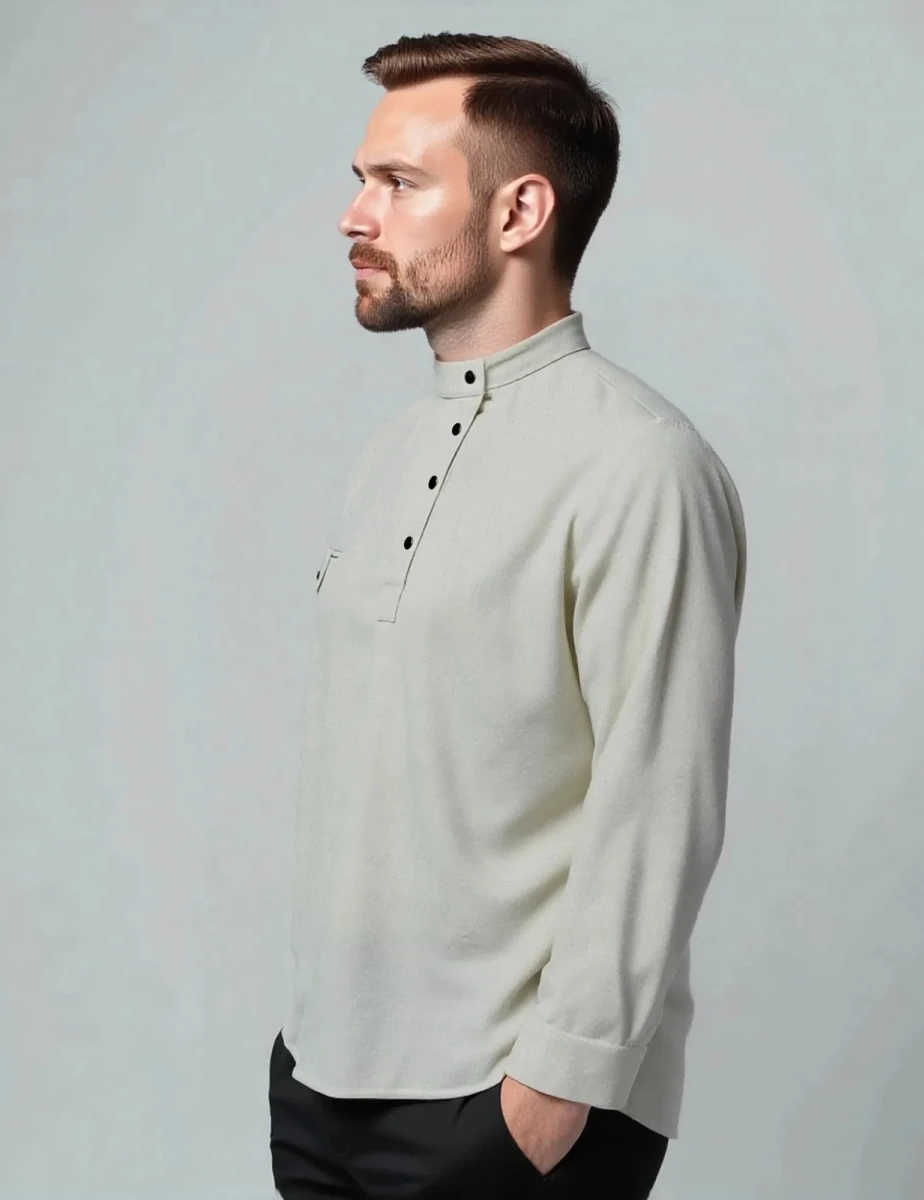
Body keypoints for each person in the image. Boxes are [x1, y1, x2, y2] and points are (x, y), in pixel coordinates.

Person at [268, 31, 747, 1200]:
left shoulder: (640, 464)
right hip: (322, 1079)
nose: (354, 216)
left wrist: (552, 1093)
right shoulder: (385, 456)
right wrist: (301, 1052)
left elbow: (660, 801)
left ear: (521, 210)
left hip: (507, 1107)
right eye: (360, 180)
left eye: (398, 183)